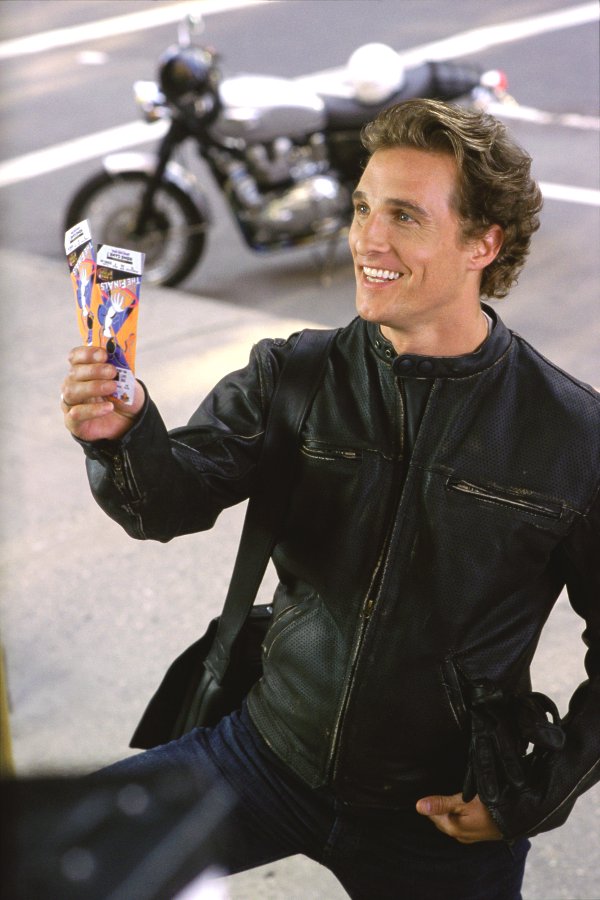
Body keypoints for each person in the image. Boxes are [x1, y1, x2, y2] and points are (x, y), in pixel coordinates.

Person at [61, 99, 600, 900]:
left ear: (482, 244)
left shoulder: (572, 436)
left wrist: (532, 795)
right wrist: (124, 435)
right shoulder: (295, 375)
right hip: (267, 753)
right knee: (45, 857)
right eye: (361, 208)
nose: (366, 240)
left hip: (436, 812)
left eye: (405, 216)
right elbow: (164, 505)